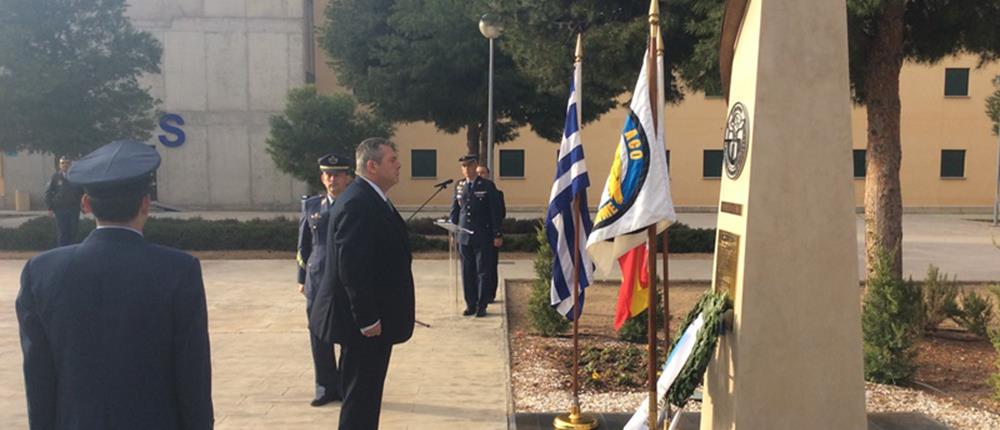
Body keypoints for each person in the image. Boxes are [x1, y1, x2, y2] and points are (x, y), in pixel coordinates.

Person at [16, 140, 213, 430]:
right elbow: (192, 374)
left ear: (85, 204)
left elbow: (38, 377)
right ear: (146, 203)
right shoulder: (178, 270)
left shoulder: (42, 272)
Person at [308, 137, 415, 430]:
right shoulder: (358, 202)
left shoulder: (372, 197)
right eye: (392, 160)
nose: (399, 165)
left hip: (374, 321)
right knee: (360, 398)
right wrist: (367, 319)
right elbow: (352, 267)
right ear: (372, 165)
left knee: (366, 396)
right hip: (364, 326)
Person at [296, 153, 354, 406]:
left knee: (348, 333)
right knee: (318, 333)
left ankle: (345, 385)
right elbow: (303, 245)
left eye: (338, 175)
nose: (332, 179)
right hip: (317, 279)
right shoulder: (311, 206)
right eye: (328, 175)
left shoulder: (354, 204)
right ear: (322, 177)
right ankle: (324, 387)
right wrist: (301, 278)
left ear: (347, 178)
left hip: (345, 279)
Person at [449, 155, 502, 317]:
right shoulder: (459, 186)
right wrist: (453, 229)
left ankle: (481, 304)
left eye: (468, 166)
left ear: (475, 166)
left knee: (482, 271)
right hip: (464, 235)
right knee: (467, 270)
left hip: (482, 235)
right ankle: (470, 304)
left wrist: (497, 234)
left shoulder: (487, 185)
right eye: (463, 166)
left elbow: (495, 212)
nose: (465, 169)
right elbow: (456, 210)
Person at [476, 165, 506, 303]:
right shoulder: (470, 192)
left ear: (488, 174)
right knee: (478, 267)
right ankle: (478, 294)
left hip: (490, 234)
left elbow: (501, 214)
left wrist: (497, 234)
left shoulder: (496, 192)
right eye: (478, 173)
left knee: (491, 266)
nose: (480, 175)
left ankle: (490, 294)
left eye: (483, 173)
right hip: (476, 236)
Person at [44, 156, 84, 247]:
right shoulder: (55, 177)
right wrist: (50, 207)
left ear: (71, 165)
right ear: (59, 165)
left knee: (73, 232)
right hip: (60, 209)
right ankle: (61, 252)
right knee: (62, 232)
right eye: (62, 163)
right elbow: (48, 192)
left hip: (74, 208)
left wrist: (83, 205)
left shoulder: (76, 177)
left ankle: (72, 252)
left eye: (67, 163)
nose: (65, 165)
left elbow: (82, 191)